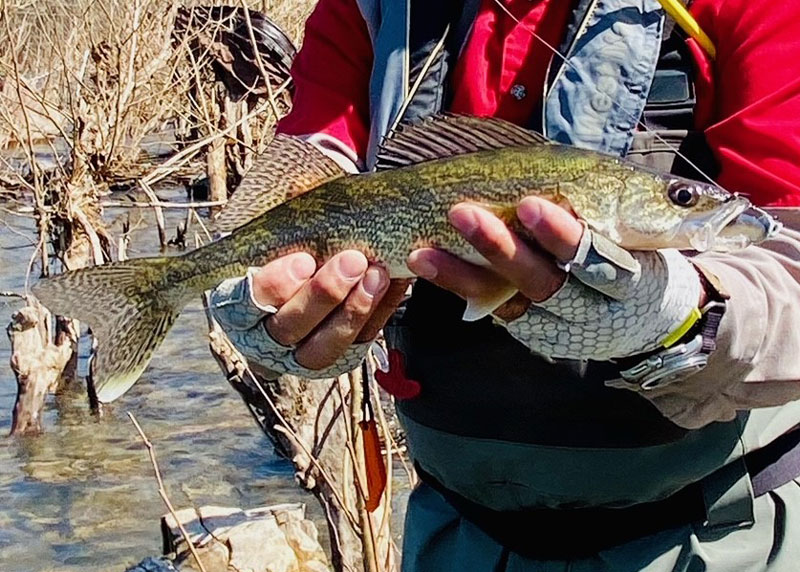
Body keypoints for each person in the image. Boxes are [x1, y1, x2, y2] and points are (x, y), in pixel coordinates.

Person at [209, 0, 800, 569]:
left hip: (715, 535)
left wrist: (687, 314)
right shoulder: (371, 9)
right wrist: (258, 300)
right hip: (456, 534)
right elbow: (302, 187)